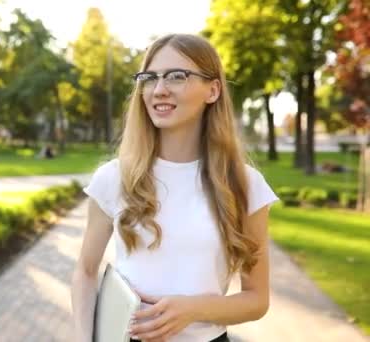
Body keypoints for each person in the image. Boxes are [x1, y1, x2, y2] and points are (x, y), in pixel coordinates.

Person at [71, 34, 279, 342]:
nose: (159, 89)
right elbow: (86, 273)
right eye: (149, 78)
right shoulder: (113, 178)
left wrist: (194, 310)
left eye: (177, 76)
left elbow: (257, 300)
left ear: (213, 90)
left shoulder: (245, 185)